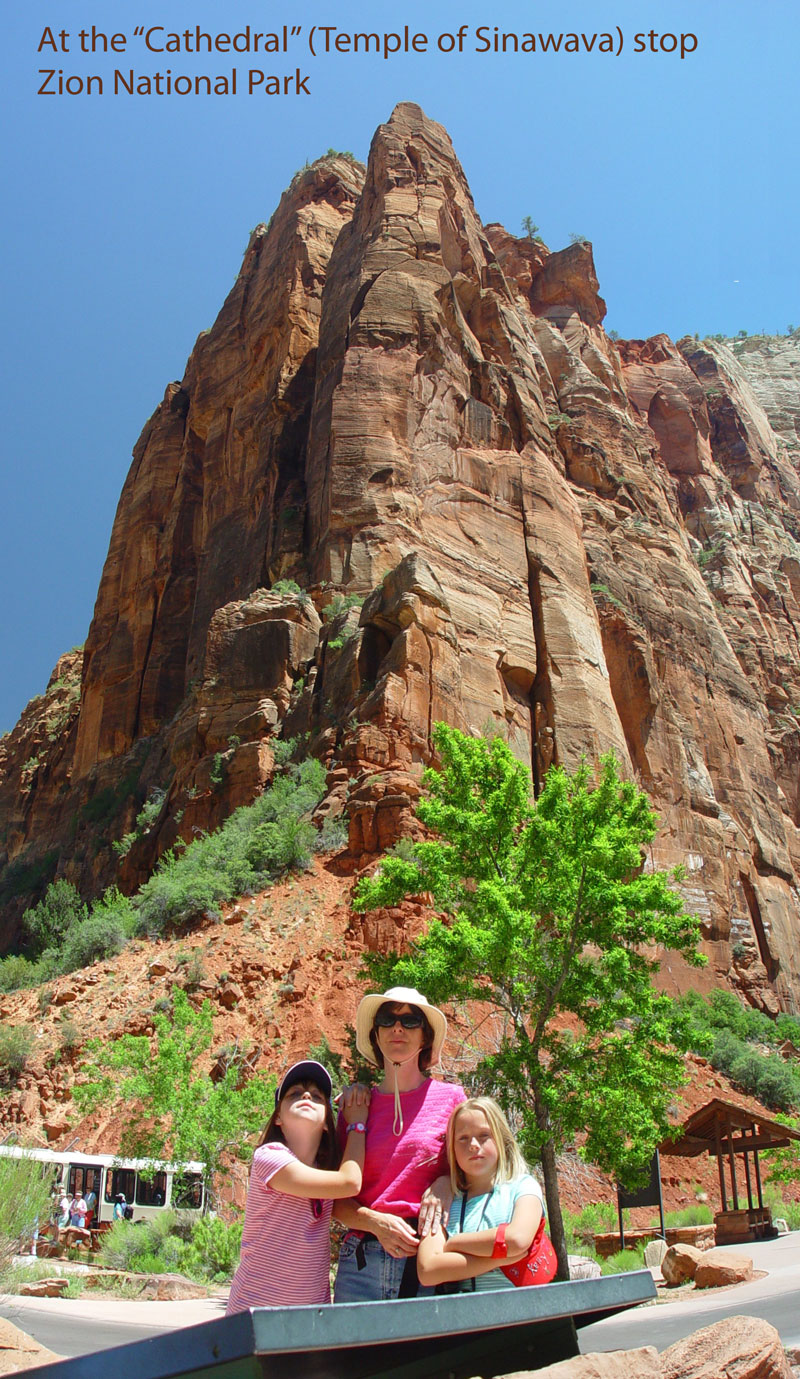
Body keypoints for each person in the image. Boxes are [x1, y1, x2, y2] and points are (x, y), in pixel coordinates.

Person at [333, 986, 466, 1303]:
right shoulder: (354, 1108)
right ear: (376, 1034)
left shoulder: (452, 1100)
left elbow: (477, 1173)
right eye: (387, 1018)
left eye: (411, 1021)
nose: (397, 1027)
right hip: (361, 1262)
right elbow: (335, 1201)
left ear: (425, 1037)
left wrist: (448, 1182)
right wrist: (375, 1223)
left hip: (428, 1259)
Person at [226, 1060, 368, 1313]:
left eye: (316, 1096)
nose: (306, 1095)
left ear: (326, 1122)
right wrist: (357, 1124)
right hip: (254, 1317)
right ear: (278, 1117)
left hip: (310, 1321)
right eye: (294, 1093)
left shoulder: (325, 1171)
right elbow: (350, 1182)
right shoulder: (269, 1157)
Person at [417, 1097, 547, 1292]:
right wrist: (501, 1258)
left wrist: (453, 1243)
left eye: (484, 1135)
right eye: (463, 1138)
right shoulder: (444, 1200)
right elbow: (428, 1270)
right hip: (464, 1319)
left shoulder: (523, 1187)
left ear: (502, 1139)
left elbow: (517, 1239)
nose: (473, 1145)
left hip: (520, 1316)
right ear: (452, 1148)